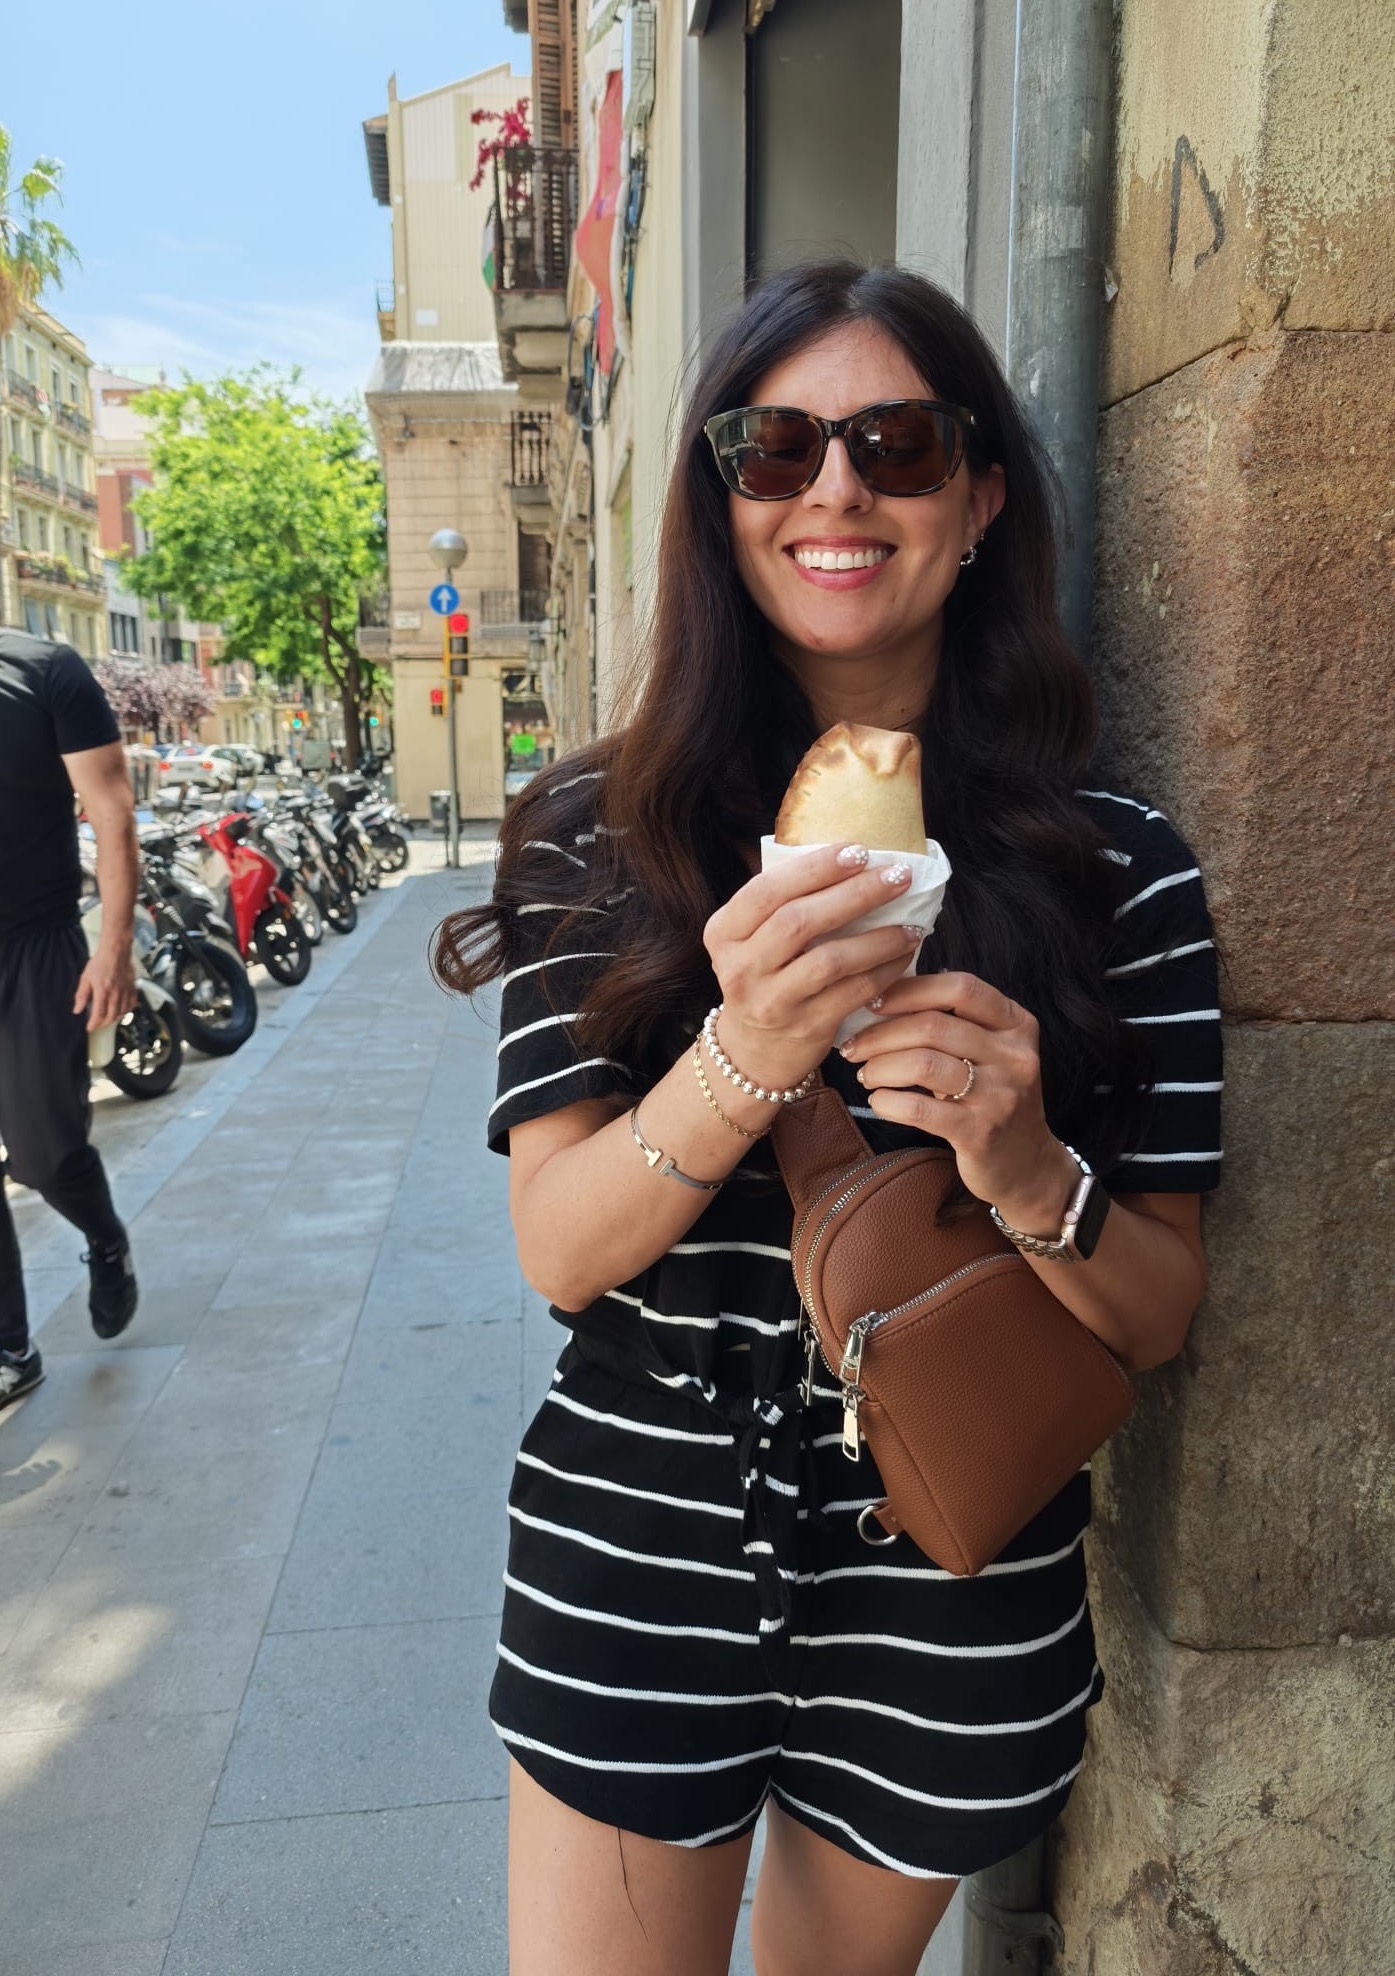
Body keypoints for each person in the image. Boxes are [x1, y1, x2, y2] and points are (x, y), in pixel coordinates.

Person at [434, 263, 1222, 1976]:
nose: (835, 491)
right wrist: (744, 1054)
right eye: (774, 448)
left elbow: (1157, 1311)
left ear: (980, 495)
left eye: (897, 444)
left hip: (954, 1553)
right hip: (642, 1535)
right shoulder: (597, 830)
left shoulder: (1119, 871)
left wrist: (1024, 1166)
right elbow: (560, 1249)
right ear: (720, 504)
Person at [0, 630, 141, 1407]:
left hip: (36, 944)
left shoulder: (44, 670)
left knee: (46, 1156)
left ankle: (104, 1236)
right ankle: (9, 1347)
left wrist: (113, 948)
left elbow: (112, 809)